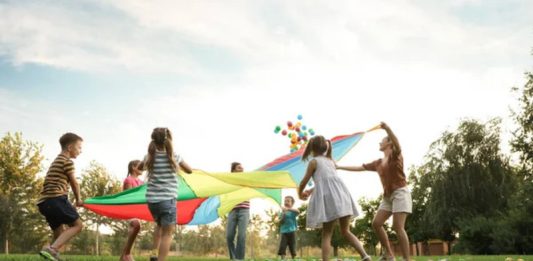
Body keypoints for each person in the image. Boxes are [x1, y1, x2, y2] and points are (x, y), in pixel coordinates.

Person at [337, 122, 412, 261]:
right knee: (376, 223)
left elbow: (397, 143)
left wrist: (388, 129)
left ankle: (407, 259)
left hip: (400, 193)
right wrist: (339, 167)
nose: (379, 142)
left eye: (382, 141)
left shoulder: (395, 155)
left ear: (389, 144)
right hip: (388, 196)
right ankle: (389, 254)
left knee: (397, 226)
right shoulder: (378, 162)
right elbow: (360, 167)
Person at [298, 135, 371, 261]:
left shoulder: (314, 162)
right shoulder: (331, 161)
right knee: (346, 231)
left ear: (312, 148)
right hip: (342, 196)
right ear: (325, 147)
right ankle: (365, 256)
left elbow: (305, 181)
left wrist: (299, 193)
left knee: (327, 233)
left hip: (329, 200)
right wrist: (311, 191)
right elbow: (327, 182)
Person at [142, 127, 193, 261]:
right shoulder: (174, 156)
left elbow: (139, 168)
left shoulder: (149, 157)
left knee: (159, 225)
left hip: (152, 202)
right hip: (168, 200)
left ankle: (153, 254)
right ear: (168, 139)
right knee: (167, 234)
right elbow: (189, 170)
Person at [37, 133, 84, 261]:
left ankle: (52, 255)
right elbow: (74, 182)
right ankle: (51, 249)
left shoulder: (56, 160)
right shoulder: (67, 162)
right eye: (79, 147)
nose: (81, 151)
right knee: (78, 225)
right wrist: (78, 199)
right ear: (70, 147)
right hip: (55, 199)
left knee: (59, 231)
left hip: (44, 202)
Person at [120, 160, 146, 261]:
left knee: (133, 231)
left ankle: (124, 256)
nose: (142, 168)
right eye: (140, 166)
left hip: (137, 210)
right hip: (129, 209)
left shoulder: (141, 182)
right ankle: (128, 253)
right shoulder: (128, 180)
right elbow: (128, 197)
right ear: (133, 167)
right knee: (136, 225)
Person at [226, 162, 250, 260]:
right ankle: (233, 257)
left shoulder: (247, 179)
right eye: (239, 168)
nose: (242, 169)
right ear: (233, 170)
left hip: (244, 210)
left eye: (242, 167)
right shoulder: (229, 181)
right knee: (229, 236)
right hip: (232, 210)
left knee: (241, 236)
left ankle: (240, 259)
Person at [277, 196, 299, 260]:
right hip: (284, 232)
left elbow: (298, 211)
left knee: (292, 246)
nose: (286, 202)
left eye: (288, 201)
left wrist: (288, 209)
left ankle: (293, 258)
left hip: (292, 232)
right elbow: (281, 222)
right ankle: (282, 258)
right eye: (285, 201)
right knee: (282, 246)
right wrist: (283, 214)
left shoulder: (293, 212)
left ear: (292, 204)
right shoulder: (281, 212)